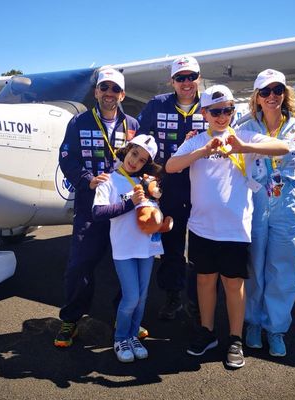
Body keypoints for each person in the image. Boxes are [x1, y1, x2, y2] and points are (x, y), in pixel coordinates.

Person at [166, 85, 289, 368]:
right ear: (205, 113)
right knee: (204, 280)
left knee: (234, 284)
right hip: (201, 228)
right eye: (216, 111)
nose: (222, 116)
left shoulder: (243, 135)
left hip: (235, 228)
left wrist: (244, 147)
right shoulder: (196, 140)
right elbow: (172, 166)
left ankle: (235, 339)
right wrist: (202, 151)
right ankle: (207, 332)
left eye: (228, 110)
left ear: (234, 111)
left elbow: (282, 146)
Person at [55, 68, 140, 347]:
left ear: (122, 94)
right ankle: (71, 319)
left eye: (115, 89)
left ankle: (123, 318)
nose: (109, 94)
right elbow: (66, 158)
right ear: (96, 92)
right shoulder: (79, 122)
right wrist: (87, 180)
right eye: (104, 88)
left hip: (123, 206)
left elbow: (143, 160)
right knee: (80, 264)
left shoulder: (133, 126)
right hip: (91, 205)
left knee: (125, 264)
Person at [239, 69, 295, 357]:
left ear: (284, 94)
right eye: (265, 91)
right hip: (256, 202)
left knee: (283, 268)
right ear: (256, 97)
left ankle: (276, 328)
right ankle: (252, 323)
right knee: (253, 266)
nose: (272, 96)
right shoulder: (244, 127)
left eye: (277, 90)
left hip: (287, 204)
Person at [137, 56, 202, 320]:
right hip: (168, 188)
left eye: (191, 76)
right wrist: (148, 178)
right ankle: (173, 296)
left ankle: (199, 301)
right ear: (172, 81)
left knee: (201, 246)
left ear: (199, 77)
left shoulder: (211, 105)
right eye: (180, 78)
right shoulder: (156, 104)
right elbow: (141, 141)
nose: (186, 83)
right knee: (171, 244)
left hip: (202, 188)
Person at [92, 135, 164, 363]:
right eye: (134, 154)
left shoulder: (146, 183)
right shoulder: (109, 180)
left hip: (147, 248)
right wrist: (128, 203)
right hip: (123, 249)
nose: (135, 162)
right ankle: (120, 337)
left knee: (142, 298)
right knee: (131, 297)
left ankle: (133, 336)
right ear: (127, 151)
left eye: (142, 160)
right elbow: (98, 213)